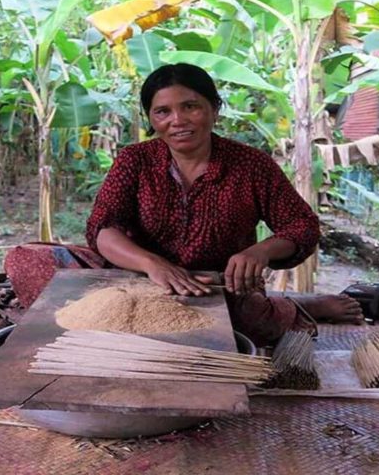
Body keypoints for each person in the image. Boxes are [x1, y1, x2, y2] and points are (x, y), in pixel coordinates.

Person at [85, 63, 363, 346]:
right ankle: (297, 304)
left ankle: (301, 307)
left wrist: (261, 251)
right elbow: (104, 226)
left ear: (214, 109)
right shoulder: (135, 160)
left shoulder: (251, 165)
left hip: (220, 287)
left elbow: (302, 226)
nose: (178, 120)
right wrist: (152, 264)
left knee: (248, 329)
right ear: (151, 119)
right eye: (162, 111)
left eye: (190, 106)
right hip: (144, 281)